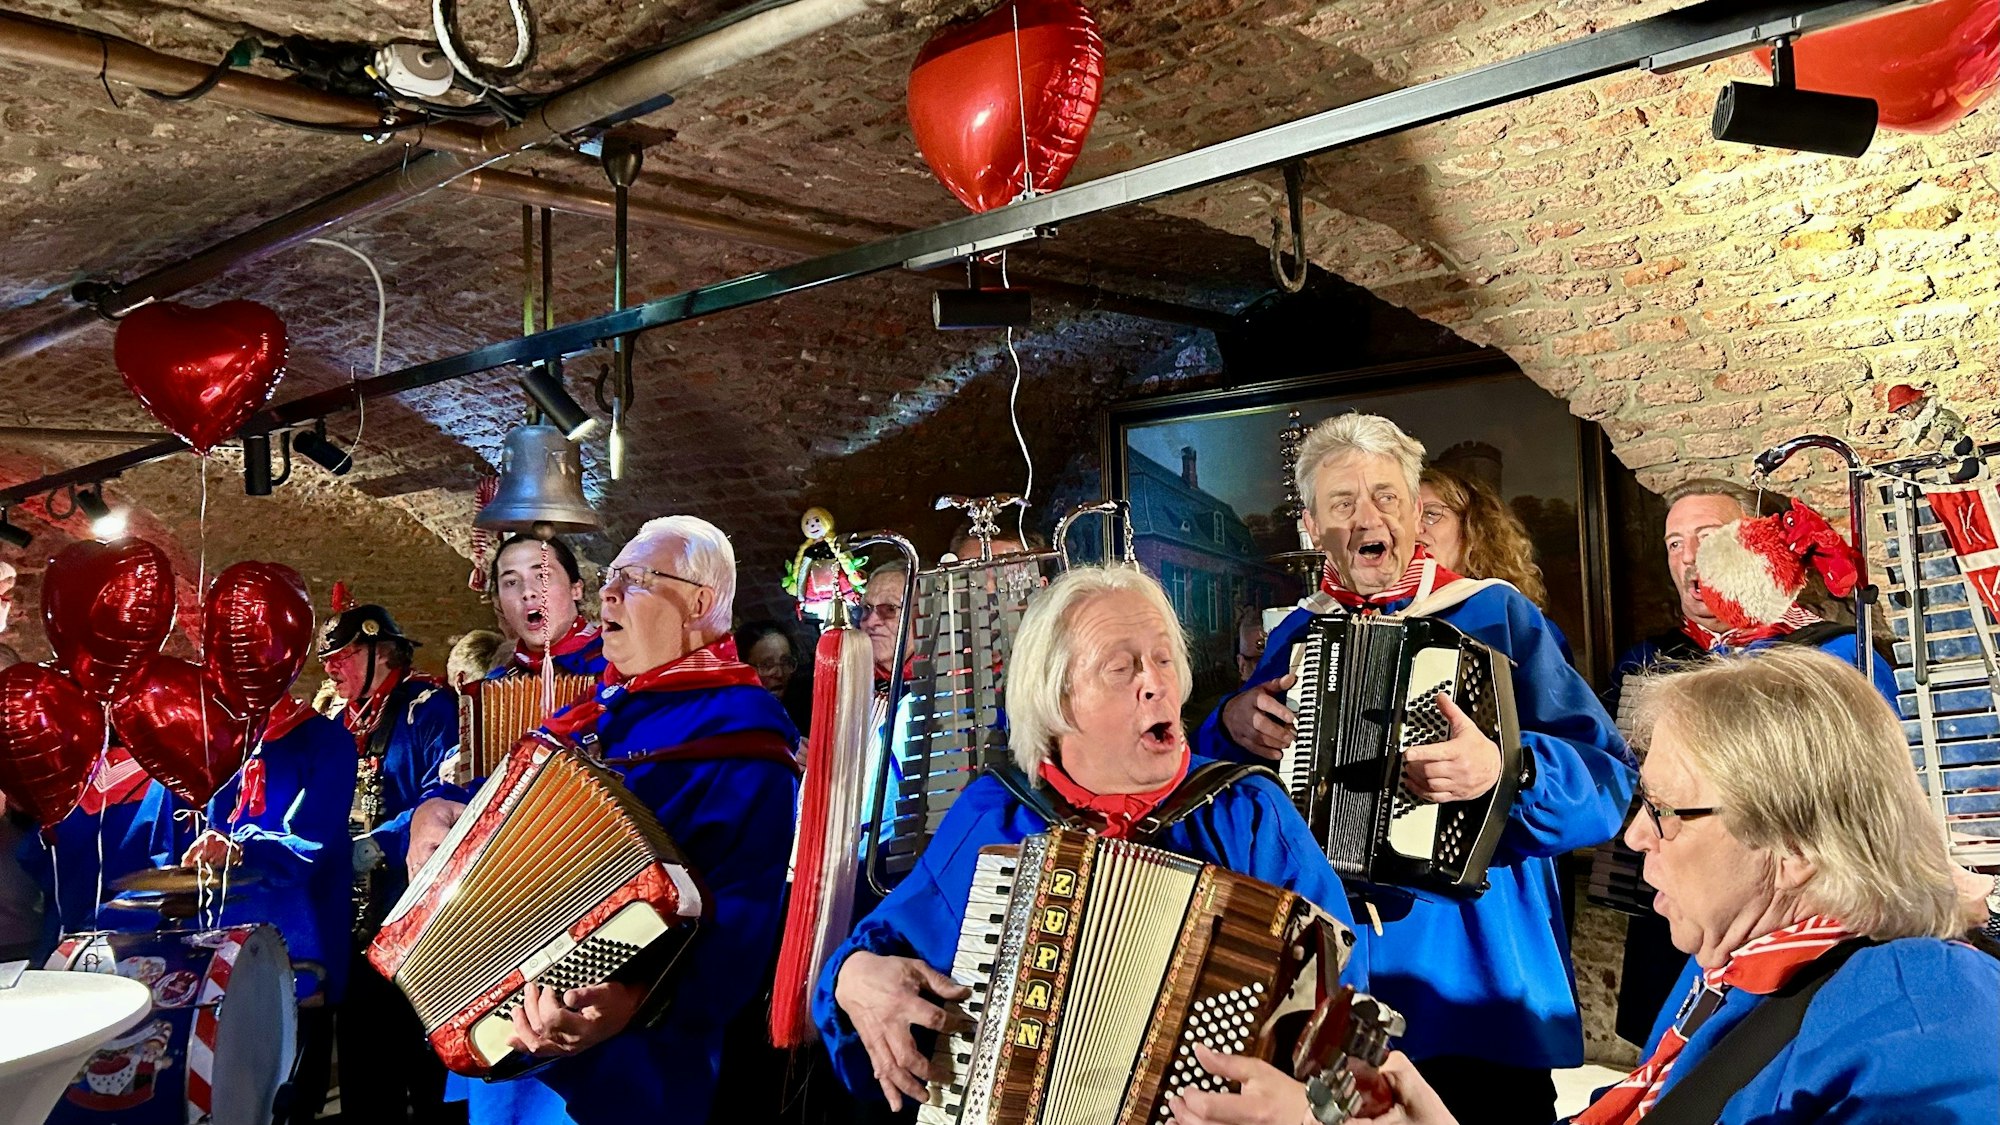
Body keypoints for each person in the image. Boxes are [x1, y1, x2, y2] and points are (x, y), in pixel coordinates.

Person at [1326, 648, 2000, 1125]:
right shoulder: (1729, 970)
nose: (1637, 836)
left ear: (1793, 846)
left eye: (1664, 809)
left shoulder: (1928, 1010)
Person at [1197, 413, 1633, 1125]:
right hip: (1330, 990)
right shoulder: (1295, 632)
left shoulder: (1496, 616)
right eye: (1342, 503)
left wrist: (1506, 769)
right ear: (1312, 527)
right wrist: (1232, 722)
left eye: (1387, 497)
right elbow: (1218, 794)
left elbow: (1608, 784)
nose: (1368, 518)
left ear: (1412, 513)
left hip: (1473, 989)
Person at [814, 564, 1367, 1112]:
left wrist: (1305, 1103)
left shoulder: (1246, 813)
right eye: (1121, 668)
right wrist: (851, 978)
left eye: (1164, 660)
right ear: (1057, 702)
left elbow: (1345, 1002)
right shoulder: (996, 814)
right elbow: (885, 947)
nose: (1155, 684)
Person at [407, 515, 801, 1125]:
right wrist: (433, 811)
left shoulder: (743, 736)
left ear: (698, 604)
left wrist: (632, 1000)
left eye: (636, 579)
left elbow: (742, 929)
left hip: (631, 1066)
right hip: (506, 1032)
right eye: (612, 576)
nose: (608, 593)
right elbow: (496, 808)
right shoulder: (593, 715)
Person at [1609, 478, 1898, 1041]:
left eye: (1708, 536)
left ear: (1759, 544)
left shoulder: (1833, 655)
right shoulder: (1654, 657)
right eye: (1674, 543)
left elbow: (1847, 812)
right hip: (1672, 905)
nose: (1690, 557)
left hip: (1782, 921)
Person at [127, 697, 357, 1125]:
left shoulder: (326, 740)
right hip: (210, 956)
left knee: (284, 1097)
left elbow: (311, 844)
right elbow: (160, 840)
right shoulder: (203, 739)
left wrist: (242, 848)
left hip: (296, 951)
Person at [318, 600, 460, 1125]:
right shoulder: (338, 722)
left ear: (382, 651)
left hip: (418, 924)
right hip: (354, 924)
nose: (330, 667)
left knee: (428, 1072)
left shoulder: (428, 708)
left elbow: (446, 793)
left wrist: (382, 841)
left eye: (344, 655)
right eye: (327, 659)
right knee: (365, 1074)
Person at [1417, 464, 1549, 607]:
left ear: (1472, 529)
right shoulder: (1400, 609)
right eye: (1405, 518)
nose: (1414, 529)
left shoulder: (1508, 612)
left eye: (1431, 513)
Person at [486, 533, 607, 679]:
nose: (527, 592)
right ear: (499, 602)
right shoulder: (495, 684)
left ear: (575, 589)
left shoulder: (616, 664)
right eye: (511, 582)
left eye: (542, 576)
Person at [738, 617, 812, 739]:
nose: (779, 674)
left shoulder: (803, 712)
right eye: (767, 665)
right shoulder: (735, 721)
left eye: (786, 662)